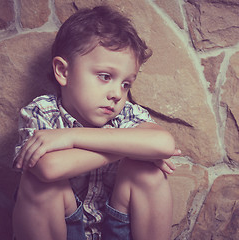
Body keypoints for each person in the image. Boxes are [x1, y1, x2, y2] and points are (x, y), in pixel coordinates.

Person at [12, 6, 180, 240]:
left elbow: (163, 144)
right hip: (65, 230)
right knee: (39, 183)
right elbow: (49, 168)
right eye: (105, 76)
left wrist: (71, 137)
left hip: (115, 229)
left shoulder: (125, 114)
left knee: (147, 172)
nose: (117, 94)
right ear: (63, 71)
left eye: (126, 84)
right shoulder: (43, 111)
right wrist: (127, 151)